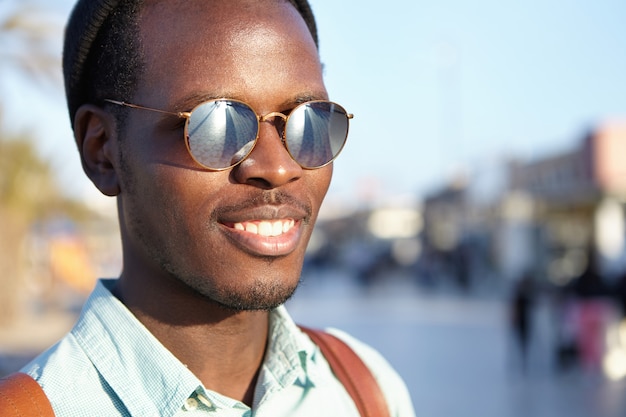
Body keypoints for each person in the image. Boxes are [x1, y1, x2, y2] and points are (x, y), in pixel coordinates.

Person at [17, 0, 416, 416]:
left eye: (309, 121)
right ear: (103, 151)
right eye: (216, 125)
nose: (279, 167)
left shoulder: (365, 390)